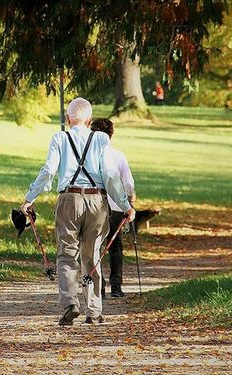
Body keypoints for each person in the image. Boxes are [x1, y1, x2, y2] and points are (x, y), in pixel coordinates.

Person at [20, 97, 136, 326]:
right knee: (92, 255)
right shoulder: (102, 139)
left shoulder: (59, 138)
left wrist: (29, 198)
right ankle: (94, 310)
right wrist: (125, 206)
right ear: (89, 120)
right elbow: (111, 177)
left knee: (66, 254)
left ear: (67, 119)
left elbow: (48, 171)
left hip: (68, 199)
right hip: (97, 201)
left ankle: (70, 304)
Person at [90, 118, 135, 298]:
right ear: (111, 135)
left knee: (95, 245)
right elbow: (128, 183)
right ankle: (116, 286)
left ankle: (98, 287)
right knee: (115, 246)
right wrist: (129, 200)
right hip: (116, 206)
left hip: (95, 205)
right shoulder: (118, 156)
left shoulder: (89, 157)